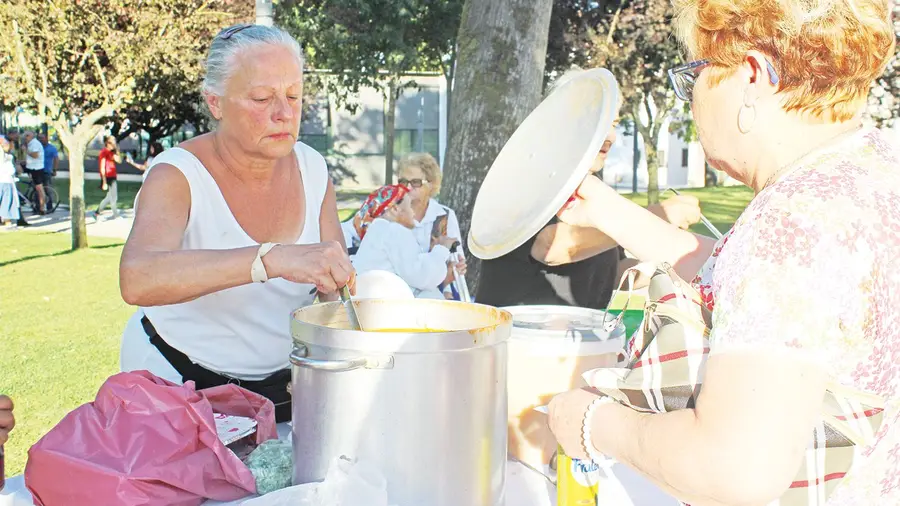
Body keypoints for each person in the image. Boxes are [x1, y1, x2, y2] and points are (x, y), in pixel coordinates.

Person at [548, 1, 899, 505]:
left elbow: (732, 471)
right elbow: (751, 283)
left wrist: (592, 422)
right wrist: (604, 208)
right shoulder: (868, 172)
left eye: (697, 74)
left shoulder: (792, 223)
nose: (691, 98)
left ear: (752, 76)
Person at [118, 24, 354, 423]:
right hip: (176, 386)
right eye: (262, 98)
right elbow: (138, 278)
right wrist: (270, 259)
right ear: (215, 103)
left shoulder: (313, 168)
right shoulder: (178, 174)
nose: (284, 112)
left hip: (284, 392)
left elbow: (332, 288)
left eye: (294, 95)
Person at [477, 70, 702, 310]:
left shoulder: (593, 192)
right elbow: (552, 247)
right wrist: (658, 217)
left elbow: (613, 274)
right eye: (601, 123)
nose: (612, 136)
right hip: (517, 338)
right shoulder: (526, 176)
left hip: (580, 341)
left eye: (614, 124)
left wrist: (673, 265)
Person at [351, 184, 457, 300]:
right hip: (388, 310)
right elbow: (422, 276)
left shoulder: (377, 231)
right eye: (411, 205)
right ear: (396, 209)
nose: (414, 212)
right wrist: (441, 249)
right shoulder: (394, 231)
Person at [95, 136, 121, 219]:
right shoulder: (104, 152)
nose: (114, 144)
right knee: (114, 197)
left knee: (109, 197)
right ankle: (115, 215)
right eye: (112, 142)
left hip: (113, 176)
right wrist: (104, 182)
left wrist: (117, 150)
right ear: (107, 143)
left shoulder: (111, 153)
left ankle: (97, 212)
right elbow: (102, 167)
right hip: (108, 177)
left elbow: (119, 161)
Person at [22, 131, 46, 215]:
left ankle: (42, 208)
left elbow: (35, 155)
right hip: (31, 167)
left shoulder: (35, 143)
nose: (25, 138)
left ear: (31, 136)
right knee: (36, 187)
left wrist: (26, 150)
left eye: (26, 136)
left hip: (36, 168)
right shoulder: (30, 143)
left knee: (39, 188)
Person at [0, 136, 21, 227]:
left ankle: (7, 220)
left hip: (7, 180)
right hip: (4, 180)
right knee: (6, 200)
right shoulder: (4, 155)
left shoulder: (8, 155)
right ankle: (7, 219)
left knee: (7, 200)